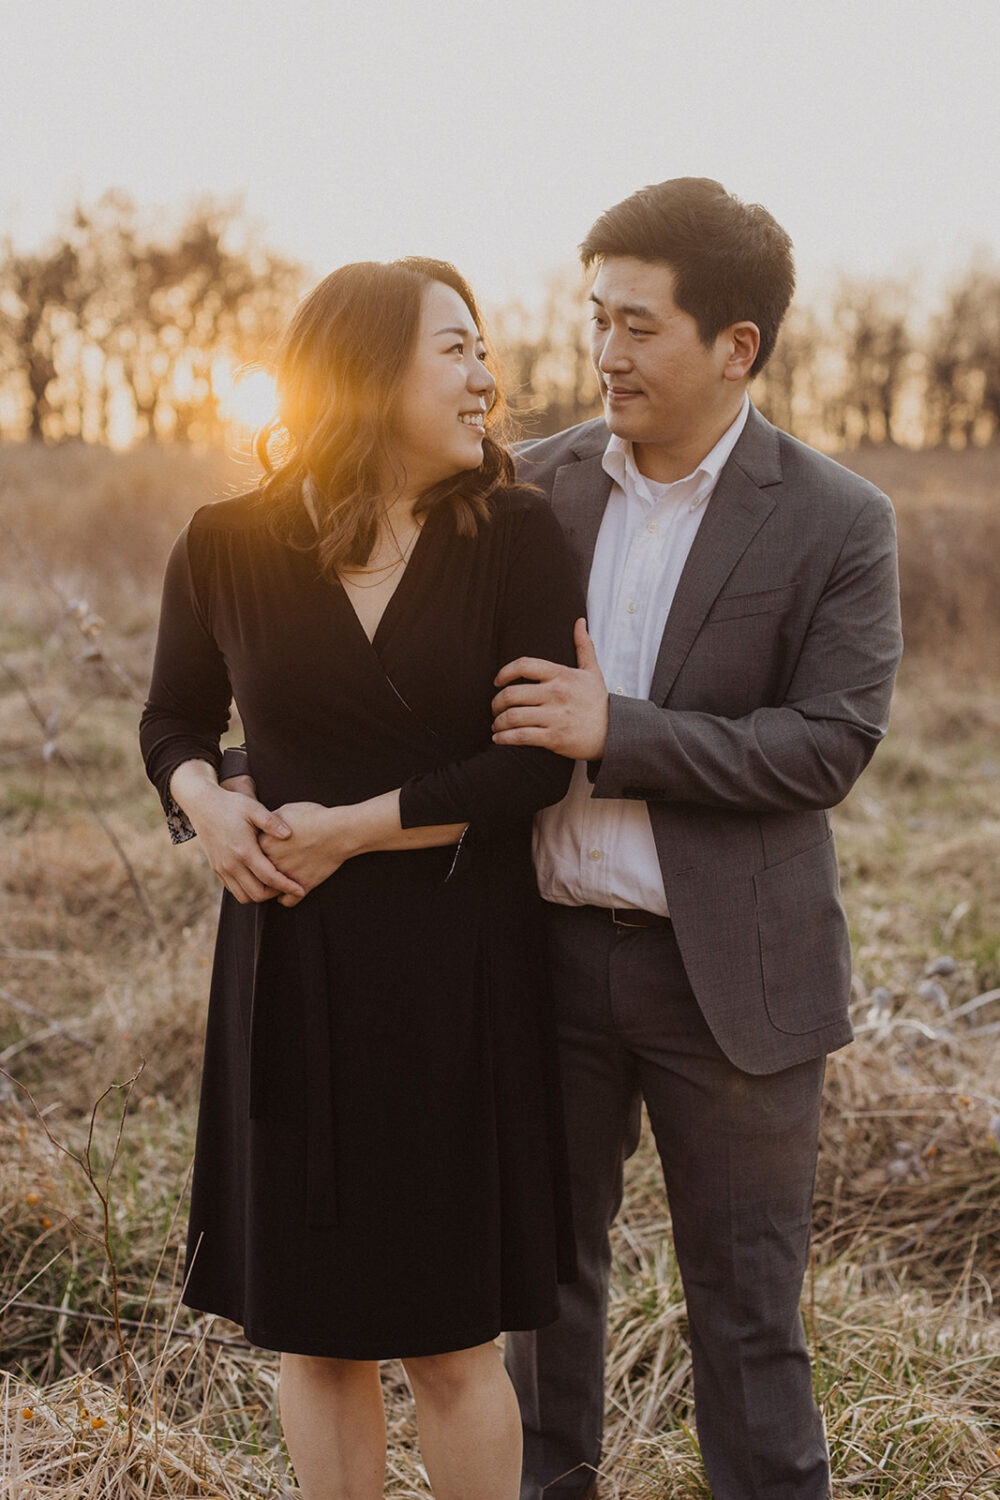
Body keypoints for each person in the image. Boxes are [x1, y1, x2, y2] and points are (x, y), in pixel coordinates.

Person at [139, 256, 583, 1500]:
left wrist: (349, 830)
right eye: (456, 349)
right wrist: (203, 805)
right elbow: (171, 719)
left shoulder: (516, 535)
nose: (487, 377)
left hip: (455, 969)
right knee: (316, 1333)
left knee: (451, 1338)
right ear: (368, 369)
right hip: (291, 969)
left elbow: (529, 770)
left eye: (483, 349)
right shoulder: (226, 542)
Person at [490, 179, 903, 1500]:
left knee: (747, 1324)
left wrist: (618, 730)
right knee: (537, 1311)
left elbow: (827, 745)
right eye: (595, 318)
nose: (605, 352)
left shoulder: (842, 519)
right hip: (539, 961)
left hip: (732, 985)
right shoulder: (527, 489)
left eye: (640, 326)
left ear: (738, 347)